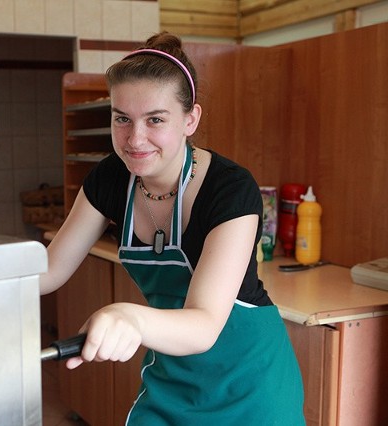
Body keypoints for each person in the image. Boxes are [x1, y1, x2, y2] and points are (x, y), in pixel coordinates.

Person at [40, 31, 305, 425]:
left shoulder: (230, 189)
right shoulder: (112, 178)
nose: (135, 139)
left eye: (155, 120)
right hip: (173, 374)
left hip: (251, 385)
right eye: (122, 119)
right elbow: (49, 270)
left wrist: (129, 317)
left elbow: (202, 325)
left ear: (190, 119)